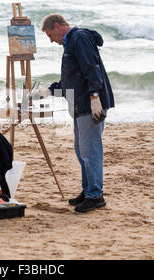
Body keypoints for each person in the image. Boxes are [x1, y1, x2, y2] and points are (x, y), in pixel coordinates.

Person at [35, 14, 115, 213]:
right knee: (81, 151)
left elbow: (91, 68)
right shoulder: (70, 44)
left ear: (57, 26)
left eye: (50, 35)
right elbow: (70, 81)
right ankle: (88, 190)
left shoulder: (78, 38)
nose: (51, 40)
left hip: (90, 105)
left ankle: (95, 195)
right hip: (79, 105)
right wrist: (49, 91)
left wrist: (95, 96)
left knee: (90, 151)